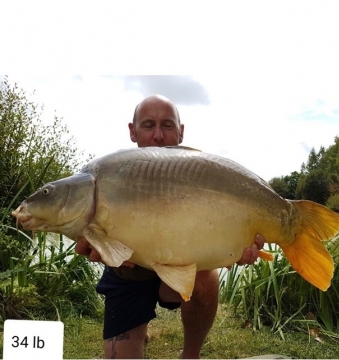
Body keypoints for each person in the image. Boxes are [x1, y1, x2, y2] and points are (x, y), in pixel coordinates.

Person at [75, 95, 265, 359]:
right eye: (148, 125)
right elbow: (90, 241)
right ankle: (138, 326)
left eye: (166, 125)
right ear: (132, 131)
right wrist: (95, 244)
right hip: (128, 275)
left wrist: (235, 247)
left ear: (181, 132)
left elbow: (221, 229)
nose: (157, 136)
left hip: (178, 270)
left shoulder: (201, 176)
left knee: (205, 277)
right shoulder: (109, 174)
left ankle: (191, 354)